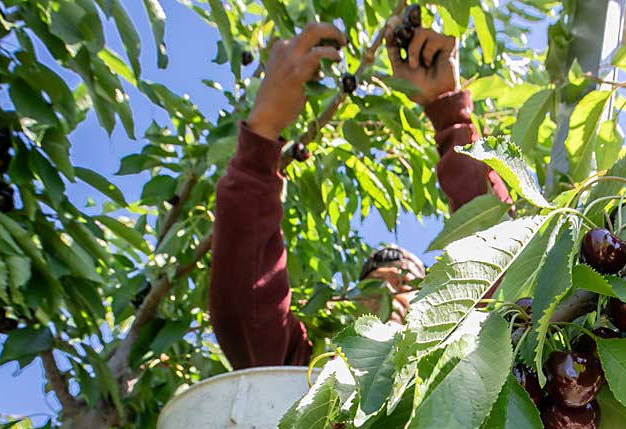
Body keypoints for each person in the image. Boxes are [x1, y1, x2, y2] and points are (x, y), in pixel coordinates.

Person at [209, 18, 511, 369]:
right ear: (350, 305)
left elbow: (499, 262)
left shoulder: (457, 359)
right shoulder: (315, 371)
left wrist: (450, 114)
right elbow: (247, 312)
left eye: (405, 282)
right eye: (374, 286)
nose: (387, 292)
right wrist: (262, 133)